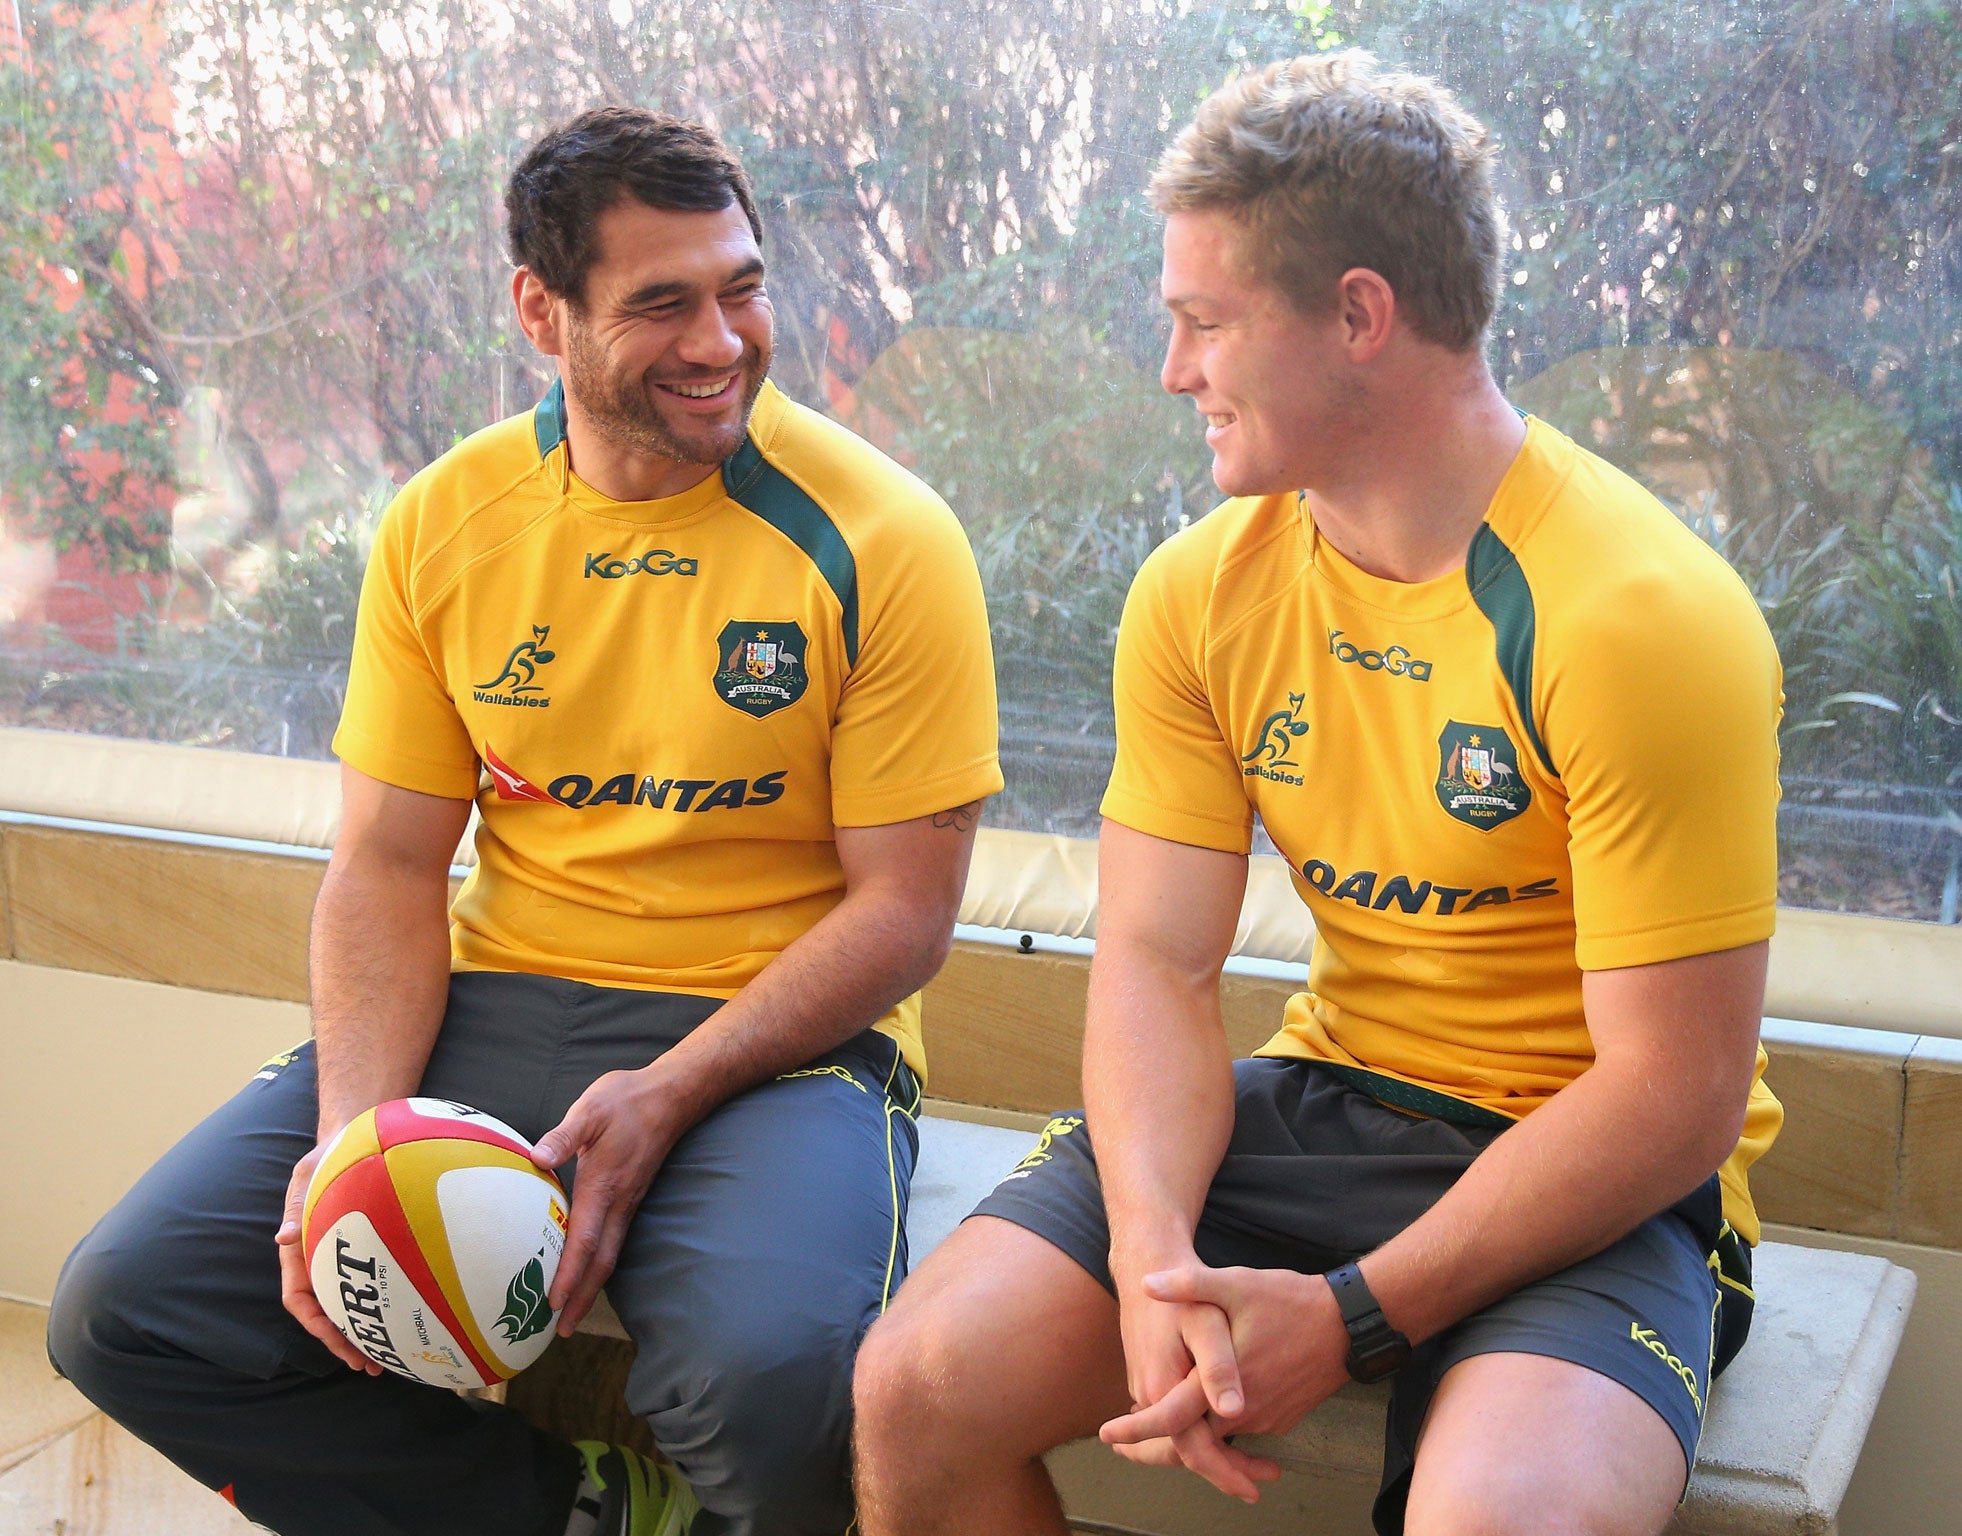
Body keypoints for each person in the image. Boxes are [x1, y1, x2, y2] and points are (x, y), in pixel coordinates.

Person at [853, 51, 1782, 1536]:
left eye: (1206, 323)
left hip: (1592, 1175)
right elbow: (1157, 959)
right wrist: (1155, 1251)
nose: (1175, 371)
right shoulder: (1198, 593)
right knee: (917, 1390)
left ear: (1360, 315)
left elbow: (1676, 1096)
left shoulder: (1640, 617)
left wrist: (1351, 1316)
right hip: (1329, 1102)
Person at [47, 105, 1001, 1536]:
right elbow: (383, 864)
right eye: (662, 302)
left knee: (772, 1379)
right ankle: (573, 1512)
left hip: (777, 1042)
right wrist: (360, 1133)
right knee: (129, 1310)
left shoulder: (885, 538)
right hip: (496, 1003)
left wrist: (670, 1089)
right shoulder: (445, 522)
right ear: (540, 313)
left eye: (743, 285)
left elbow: (906, 914)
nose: (721, 339)